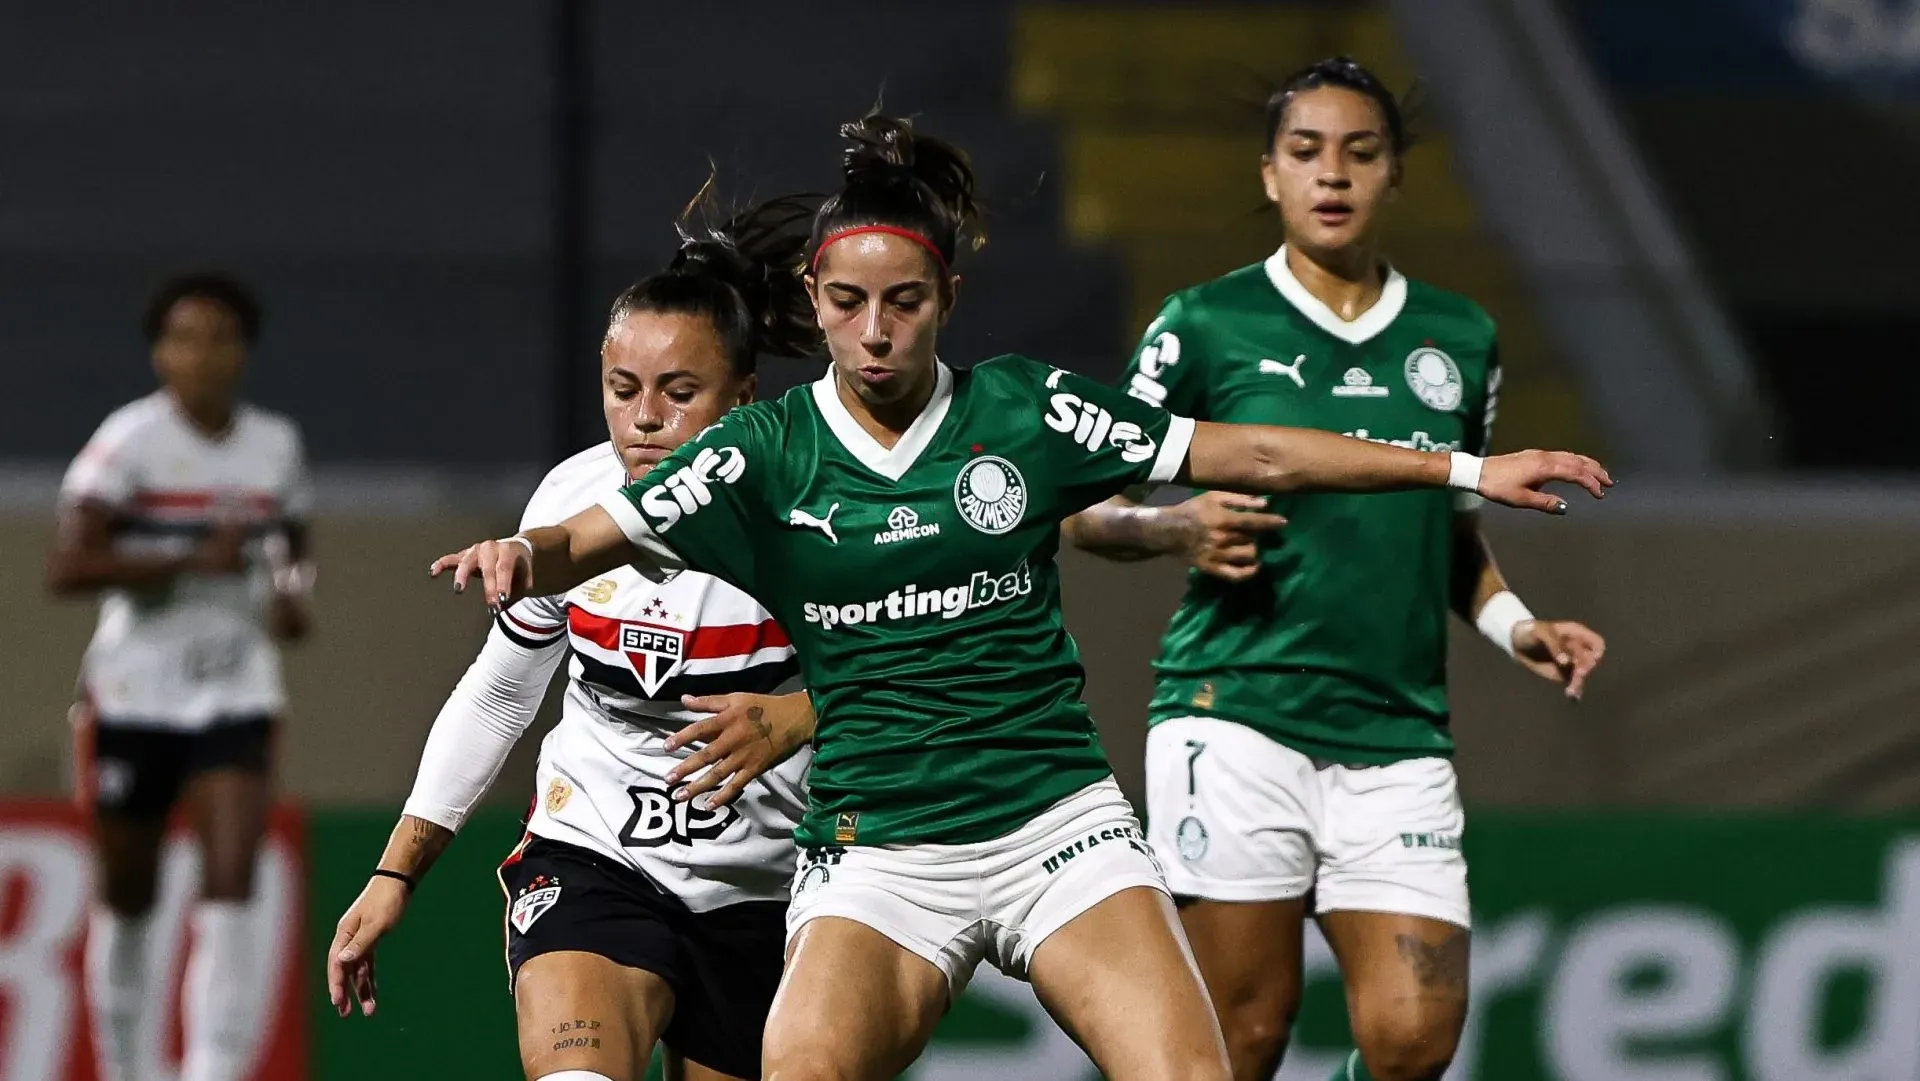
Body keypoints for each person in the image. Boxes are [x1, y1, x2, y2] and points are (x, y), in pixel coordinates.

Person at [429, 112, 1610, 1081]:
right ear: (812, 293)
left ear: (946, 293)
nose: (875, 332)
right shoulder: (767, 451)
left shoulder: (1028, 413)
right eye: (846, 303)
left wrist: (1464, 468)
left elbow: (1249, 453)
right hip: (877, 846)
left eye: (906, 302)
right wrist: (520, 560)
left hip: (1055, 828)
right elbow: (591, 532)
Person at [1062, 57, 1610, 1081]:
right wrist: (1174, 530)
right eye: (1306, 152)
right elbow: (1086, 511)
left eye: (1361, 152)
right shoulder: (1202, 324)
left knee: (1414, 1036)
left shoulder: (1462, 336)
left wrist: (1515, 626)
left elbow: (1447, 533)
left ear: (1396, 174)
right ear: (1269, 174)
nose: (1333, 175)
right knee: (1245, 1036)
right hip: (1236, 711)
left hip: (1397, 727)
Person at [326, 195, 824, 1081]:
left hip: (770, 886)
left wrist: (792, 717)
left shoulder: (812, 515)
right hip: (596, 856)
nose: (643, 420)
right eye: (623, 389)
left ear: (745, 395)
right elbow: (501, 691)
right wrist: (394, 873)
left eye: (679, 393)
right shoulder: (569, 499)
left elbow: (905, 676)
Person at [48, 271, 315, 1081]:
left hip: (235, 684)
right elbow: (69, 565)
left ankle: (212, 1070)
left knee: (232, 878)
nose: (204, 353)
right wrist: (187, 559)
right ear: (160, 352)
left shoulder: (274, 445)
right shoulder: (128, 442)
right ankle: (127, 1066)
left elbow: (292, 548)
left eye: (222, 336)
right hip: (135, 690)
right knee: (128, 894)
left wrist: (291, 597)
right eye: (187, 336)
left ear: (245, 350)